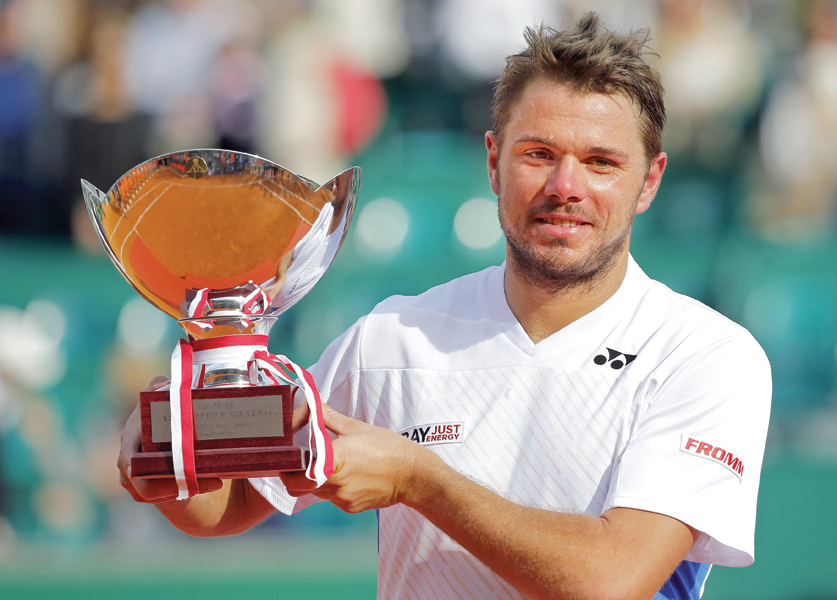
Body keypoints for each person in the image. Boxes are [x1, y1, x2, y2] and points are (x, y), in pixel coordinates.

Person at [117, 13, 771, 600]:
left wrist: (420, 481)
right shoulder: (393, 335)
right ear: (492, 163)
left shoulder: (706, 356)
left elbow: (610, 581)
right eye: (538, 154)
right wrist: (171, 456)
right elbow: (226, 506)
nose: (565, 187)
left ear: (648, 181)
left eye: (600, 162)